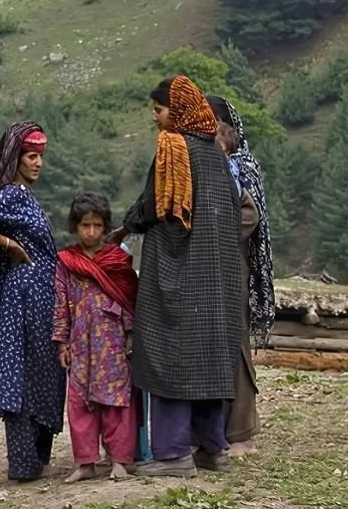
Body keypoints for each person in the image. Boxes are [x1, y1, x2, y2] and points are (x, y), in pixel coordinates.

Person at [108, 75, 242, 477]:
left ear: (178, 111)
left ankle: (173, 455)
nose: (155, 117)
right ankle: (213, 450)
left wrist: (125, 227)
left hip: (178, 274)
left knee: (170, 356)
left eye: (160, 109)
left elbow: (151, 207)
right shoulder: (218, 155)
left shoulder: (173, 149)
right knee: (208, 358)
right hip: (216, 279)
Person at [0, 122, 66, 482]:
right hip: (22, 299)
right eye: (31, 156)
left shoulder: (26, 196)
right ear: (16, 159)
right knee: (22, 373)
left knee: (45, 369)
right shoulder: (10, 196)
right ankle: (23, 463)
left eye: (40, 157)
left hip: (40, 300)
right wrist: (9, 245)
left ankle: (37, 458)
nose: (38, 163)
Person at [53, 193, 139, 484]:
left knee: (116, 403)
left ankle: (119, 461)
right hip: (80, 343)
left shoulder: (117, 259)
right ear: (75, 226)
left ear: (105, 227)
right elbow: (61, 302)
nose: (90, 232)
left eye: (97, 226)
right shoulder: (67, 261)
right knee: (79, 403)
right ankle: (85, 462)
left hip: (112, 343)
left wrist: (129, 335)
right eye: (85, 225)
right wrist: (62, 342)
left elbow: (129, 299)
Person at [207, 94, 275, 457]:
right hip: (210, 270)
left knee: (236, 347)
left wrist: (215, 231)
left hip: (233, 268)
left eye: (214, 126)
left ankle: (241, 432)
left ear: (228, 129)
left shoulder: (242, 167)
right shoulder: (212, 164)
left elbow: (251, 218)